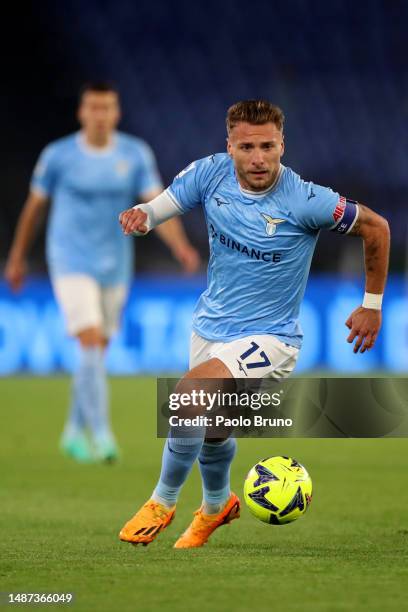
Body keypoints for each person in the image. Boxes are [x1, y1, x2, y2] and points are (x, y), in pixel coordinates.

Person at [118, 99, 390, 548]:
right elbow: (162, 204)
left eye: (268, 146)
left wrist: (372, 304)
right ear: (230, 146)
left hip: (272, 337)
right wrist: (143, 216)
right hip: (210, 326)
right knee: (212, 427)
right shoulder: (209, 173)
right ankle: (216, 506)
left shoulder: (307, 199)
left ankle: (162, 501)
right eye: (247, 147)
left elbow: (376, 227)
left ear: (283, 144)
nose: (258, 158)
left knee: (187, 395)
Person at [4, 81, 200, 463]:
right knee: (91, 340)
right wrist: (16, 256)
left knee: (95, 351)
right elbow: (34, 208)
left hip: (115, 263)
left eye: (106, 107)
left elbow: (156, 205)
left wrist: (179, 246)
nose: (99, 115)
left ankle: (73, 430)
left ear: (117, 112)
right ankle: (102, 435)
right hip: (69, 259)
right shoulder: (58, 156)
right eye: (93, 107)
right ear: (81, 112)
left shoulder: (134, 153)